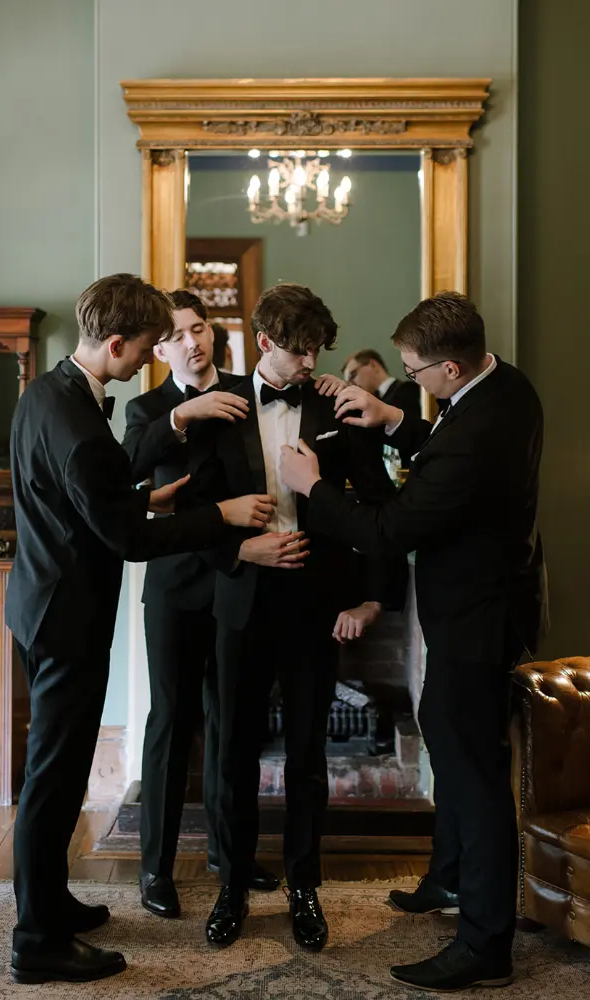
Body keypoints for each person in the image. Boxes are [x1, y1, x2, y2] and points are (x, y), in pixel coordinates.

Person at [6, 274, 275, 985]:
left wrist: (137, 497)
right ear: (116, 342)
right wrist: (221, 516)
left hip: (40, 603)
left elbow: (80, 501)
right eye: (149, 348)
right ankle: (37, 939)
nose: (153, 360)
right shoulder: (81, 422)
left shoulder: (46, 391)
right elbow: (126, 540)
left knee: (54, 773)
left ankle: (51, 902)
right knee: (54, 779)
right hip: (67, 618)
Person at [280, 291, 547, 993]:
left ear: (453, 368)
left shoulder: (470, 438)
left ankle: (484, 945)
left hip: (474, 619)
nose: (411, 382)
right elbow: (442, 439)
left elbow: (389, 531)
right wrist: (396, 417)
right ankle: (450, 879)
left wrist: (311, 486)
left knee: (473, 774)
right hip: (491, 604)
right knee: (454, 744)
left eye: (416, 373)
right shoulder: (509, 386)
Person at [202, 284, 403, 952]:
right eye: (298, 348)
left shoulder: (334, 405)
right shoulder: (219, 408)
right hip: (241, 598)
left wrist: (369, 597)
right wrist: (238, 547)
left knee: (307, 755)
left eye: (317, 346)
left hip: (317, 600)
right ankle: (231, 885)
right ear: (264, 343)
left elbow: (376, 503)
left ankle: (303, 887)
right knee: (231, 752)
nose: (311, 358)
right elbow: (187, 512)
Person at [121, 290, 282, 921]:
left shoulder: (250, 393)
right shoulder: (146, 410)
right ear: (158, 349)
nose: (194, 341)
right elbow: (130, 472)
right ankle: (155, 868)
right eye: (179, 335)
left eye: (201, 328)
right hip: (174, 586)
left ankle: (228, 853)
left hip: (243, 582)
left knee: (232, 722)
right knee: (170, 721)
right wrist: (185, 418)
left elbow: (260, 486)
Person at [342, 348, 425, 468]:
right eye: (348, 381)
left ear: (373, 364)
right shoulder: (367, 406)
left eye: (353, 375)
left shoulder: (407, 390)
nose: (352, 384)